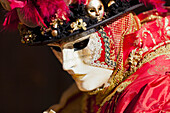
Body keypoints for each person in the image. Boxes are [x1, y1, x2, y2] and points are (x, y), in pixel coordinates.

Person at [0, 0, 169, 112]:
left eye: (80, 45)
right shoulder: (110, 76)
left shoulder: (157, 94)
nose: (67, 65)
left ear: (118, 28)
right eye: (57, 49)